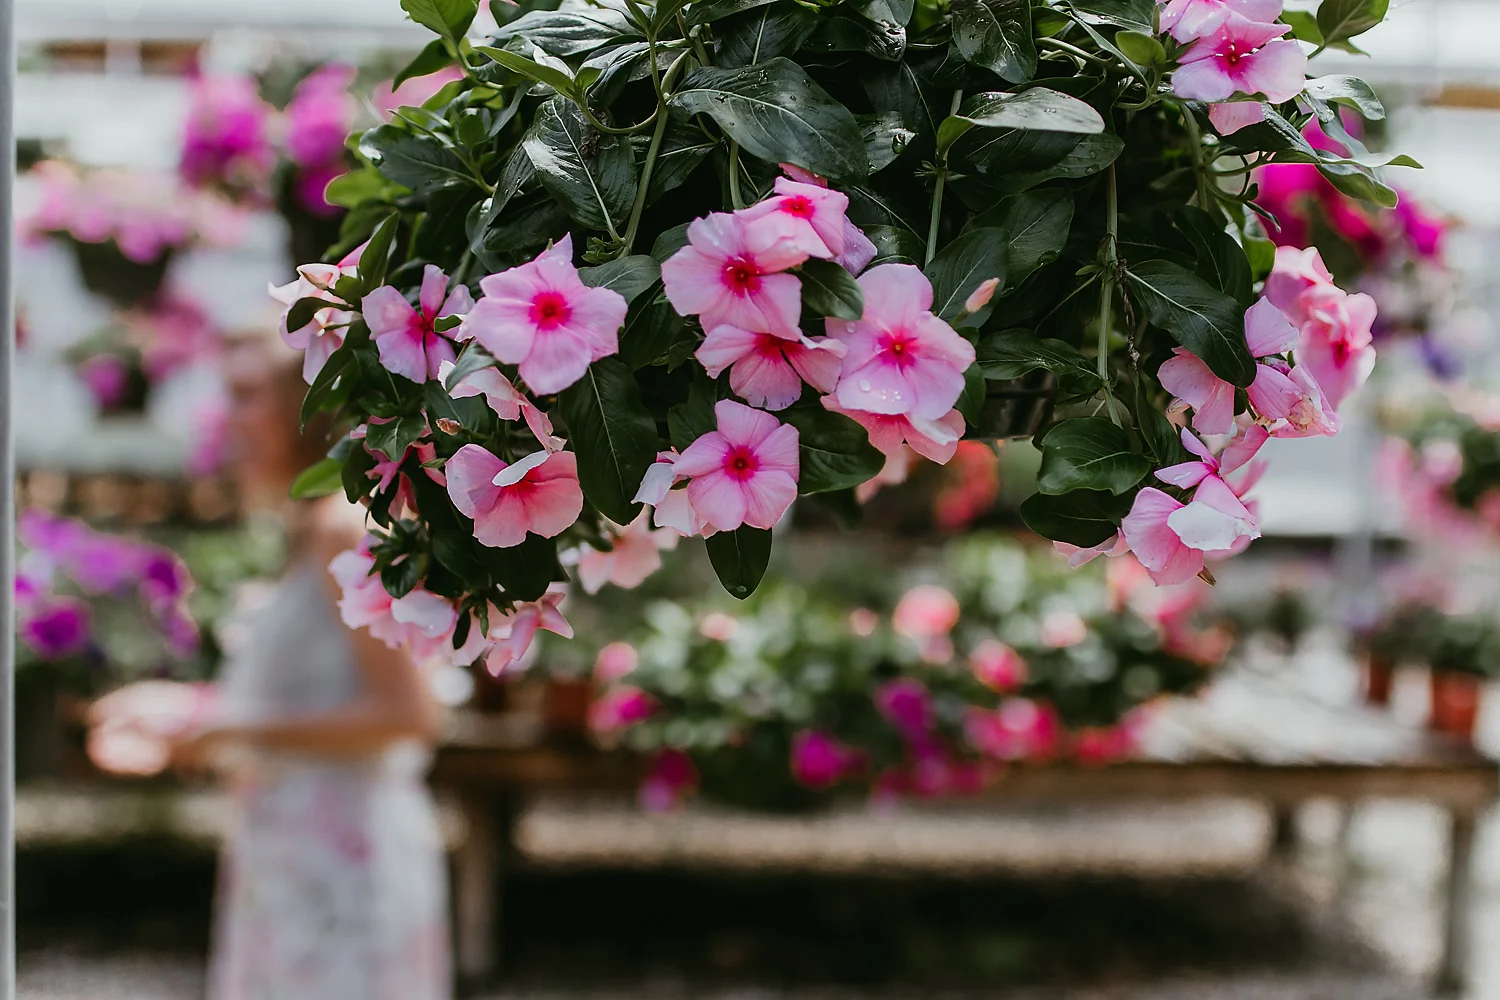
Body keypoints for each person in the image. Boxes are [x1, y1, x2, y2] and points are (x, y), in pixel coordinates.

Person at [174, 335, 451, 1000]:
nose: (226, 418)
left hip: (346, 867)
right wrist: (191, 713)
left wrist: (224, 730)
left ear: (307, 406)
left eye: (245, 396)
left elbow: (409, 715)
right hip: (292, 858)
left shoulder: (342, 528)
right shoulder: (306, 528)